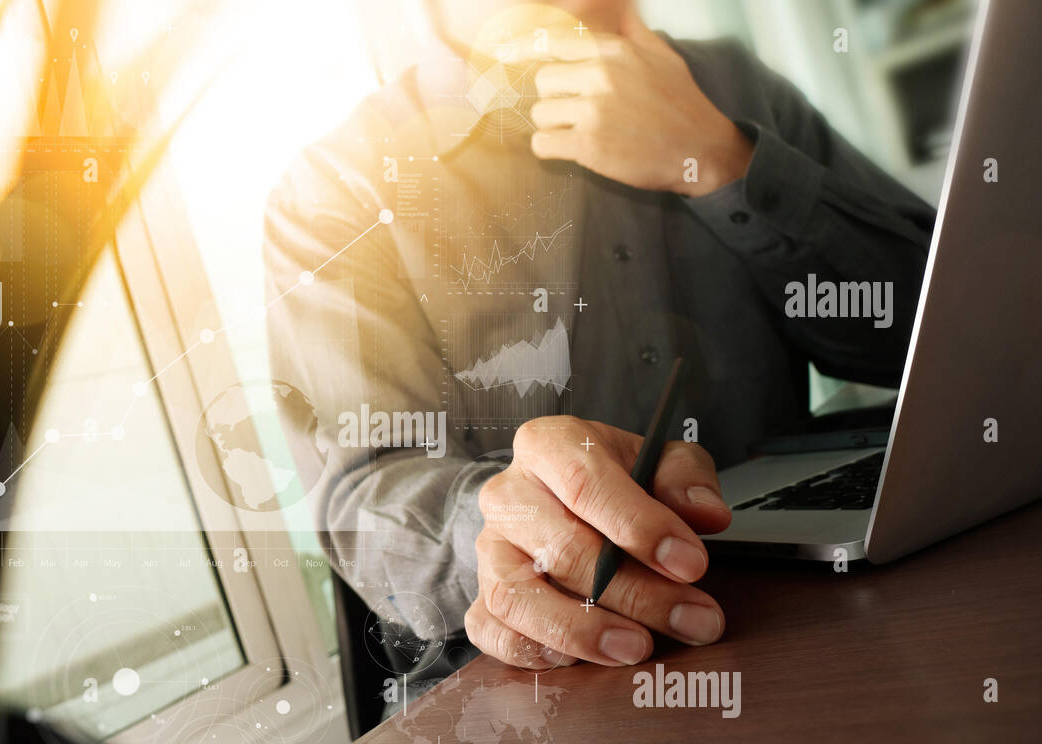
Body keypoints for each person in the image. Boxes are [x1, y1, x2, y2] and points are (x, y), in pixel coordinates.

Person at [264, 0, 933, 681]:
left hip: (808, 616)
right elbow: (365, 496)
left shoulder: (727, 85)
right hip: (555, 685)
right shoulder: (337, 191)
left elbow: (927, 336)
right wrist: (503, 530)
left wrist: (721, 160)